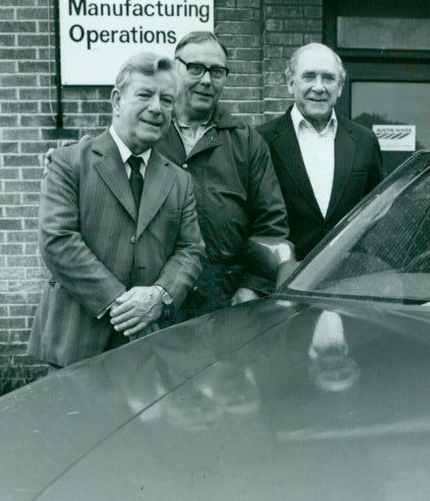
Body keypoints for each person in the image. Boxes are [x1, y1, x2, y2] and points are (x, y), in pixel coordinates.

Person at [27, 52, 205, 369]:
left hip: (150, 348)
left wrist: (160, 296)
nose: (156, 108)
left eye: (166, 100)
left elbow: (190, 249)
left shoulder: (179, 180)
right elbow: (58, 240)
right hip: (76, 348)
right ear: (116, 101)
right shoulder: (69, 163)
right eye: (144, 95)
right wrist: (121, 304)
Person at [156, 31, 290, 319]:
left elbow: (271, 226)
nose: (206, 80)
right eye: (196, 68)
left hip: (226, 300)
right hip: (158, 297)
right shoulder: (150, 135)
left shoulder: (246, 141)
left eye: (217, 71)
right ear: (174, 68)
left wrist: (254, 286)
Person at [259, 43, 385, 261]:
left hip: (346, 276)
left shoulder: (365, 141)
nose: (319, 87)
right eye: (309, 77)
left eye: (328, 78)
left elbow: (377, 211)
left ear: (340, 86)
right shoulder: (261, 140)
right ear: (290, 83)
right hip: (282, 278)